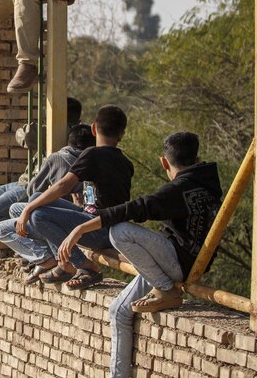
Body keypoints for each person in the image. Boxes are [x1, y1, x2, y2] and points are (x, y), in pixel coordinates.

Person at [58, 132, 222, 378]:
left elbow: (134, 208)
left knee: (120, 232)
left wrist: (81, 228)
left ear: (164, 162)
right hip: (176, 260)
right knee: (119, 310)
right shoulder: (207, 184)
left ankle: (165, 289)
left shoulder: (180, 188)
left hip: (176, 265)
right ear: (196, 157)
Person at [0, 105, 134, 288]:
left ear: (93, 128)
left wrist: (29, 209)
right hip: (98, 221)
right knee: (31, 200)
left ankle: (79, 265)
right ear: (122, 134)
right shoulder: (125, 162)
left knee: (38, 214)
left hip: (99, 229)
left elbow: (63, 185)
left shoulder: (92, 154)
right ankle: (58, 257)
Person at [0, 97, 84, 230]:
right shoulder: (74, 133)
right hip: (25, 181)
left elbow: (24, 135)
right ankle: (19, 234)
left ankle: (27, 239)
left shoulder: (57, 132)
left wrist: (40, 127)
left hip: (32, 184)